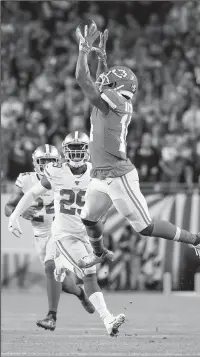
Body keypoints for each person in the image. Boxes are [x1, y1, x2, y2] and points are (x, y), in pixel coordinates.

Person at [74, 22, 200, 269]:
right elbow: (100, 83)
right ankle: (100, 254)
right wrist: (102, 59)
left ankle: (195, 239)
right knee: (88, 218)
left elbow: (83, 79)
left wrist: (83, 50)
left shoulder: (114, 101)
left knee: (146, 227)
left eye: (108, 83)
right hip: (101, 173)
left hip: (118, 174)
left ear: (115, 89)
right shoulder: (114, 98)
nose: (103, 83)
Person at [8, 132, 125, 337]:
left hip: (85, 233)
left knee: (89, 275)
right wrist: (14, 215)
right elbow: (32, 193)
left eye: (81, 150)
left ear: (88, 151)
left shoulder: (95, 172)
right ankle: (104, 317)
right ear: (65, 151)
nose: (77, 154)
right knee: (85, 267)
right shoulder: (56, 171)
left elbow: (109, 198)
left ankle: (107, 322)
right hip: (63, 234)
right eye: (73, 150)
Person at [5, 144, 95, 331]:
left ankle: (51, 316)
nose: (46, 164)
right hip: (40, 236)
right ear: (35, 163)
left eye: (49, 161)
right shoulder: (26, 179)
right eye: (42, 161)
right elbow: (8, 206)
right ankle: (80, 294)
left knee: (51, 266)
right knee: (63, 284)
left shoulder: (63, 175)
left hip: (62, 232)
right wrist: (19, 212)